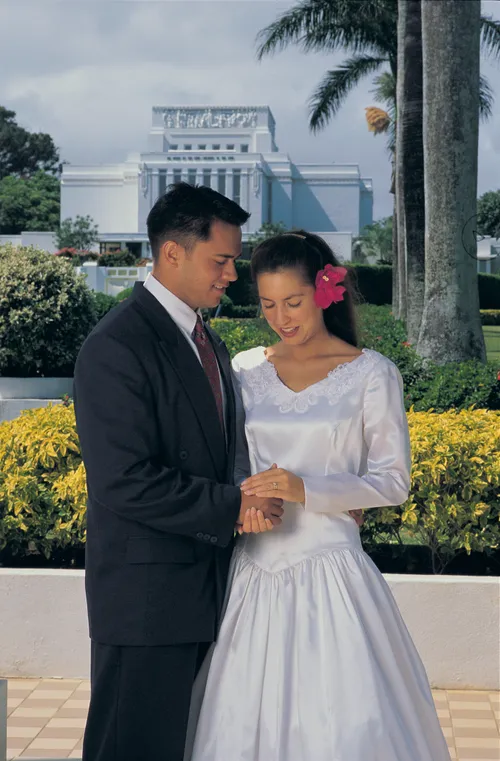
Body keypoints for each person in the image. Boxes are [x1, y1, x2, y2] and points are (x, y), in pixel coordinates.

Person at [187, 231, 452, 761]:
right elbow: (233, 464)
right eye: (267, 304)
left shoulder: (372, 373)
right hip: (253, 574)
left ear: (324, 293)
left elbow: (392, 481)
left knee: (344, 722)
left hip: (333, 575)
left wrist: (304, 488)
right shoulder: (243, 370)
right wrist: (246, 502)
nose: (281, 317)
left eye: (293, 301)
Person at [73, 182, 285, 761]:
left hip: (207, 591)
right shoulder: (117, 343)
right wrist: (233, 505)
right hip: (147, 600)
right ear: (172, 253)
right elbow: (122, 479)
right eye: (221, 260)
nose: (231, 276)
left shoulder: (205, 339)